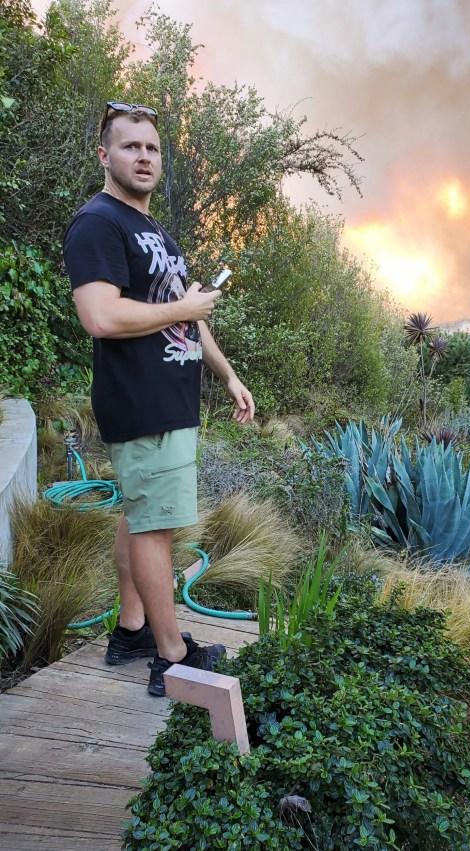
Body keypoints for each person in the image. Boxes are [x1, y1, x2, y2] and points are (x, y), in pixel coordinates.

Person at [63, 101, 255, 697]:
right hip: (141, 402)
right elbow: (99, 315)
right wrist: (186, 308)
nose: (143, 157)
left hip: (170, 399)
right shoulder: (98, 223)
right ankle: (173, 657)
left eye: (151, 148)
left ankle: (132, 629)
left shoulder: (153, 231)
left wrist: (226, 374)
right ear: (105, 155)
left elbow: (186, 320)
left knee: (140, 516)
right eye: (130, 147)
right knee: (155, 529)